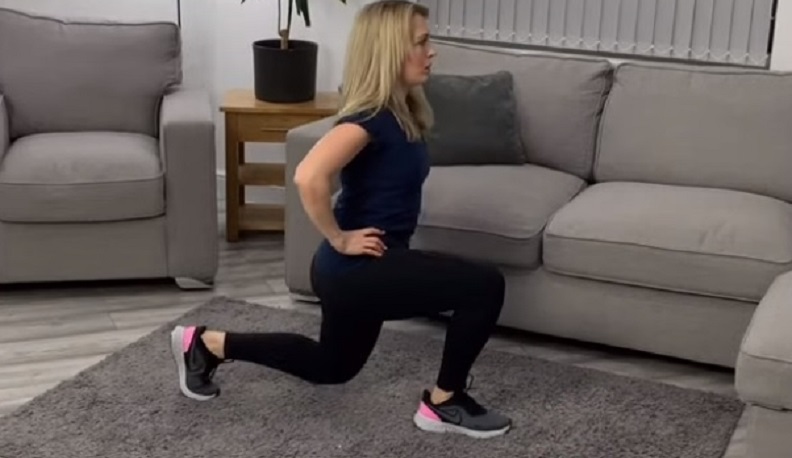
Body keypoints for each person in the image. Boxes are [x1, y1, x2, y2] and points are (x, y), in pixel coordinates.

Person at [169, 0, 511, 439]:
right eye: (422, 42)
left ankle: (206, 343)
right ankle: (444, 402)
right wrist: (339, 237)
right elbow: (309, 175)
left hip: (362, 269)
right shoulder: (370, 116)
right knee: (483, 285)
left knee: (332, 367)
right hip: (357, 267)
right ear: (389, 50)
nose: (432, 51)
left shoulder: (401, 110)